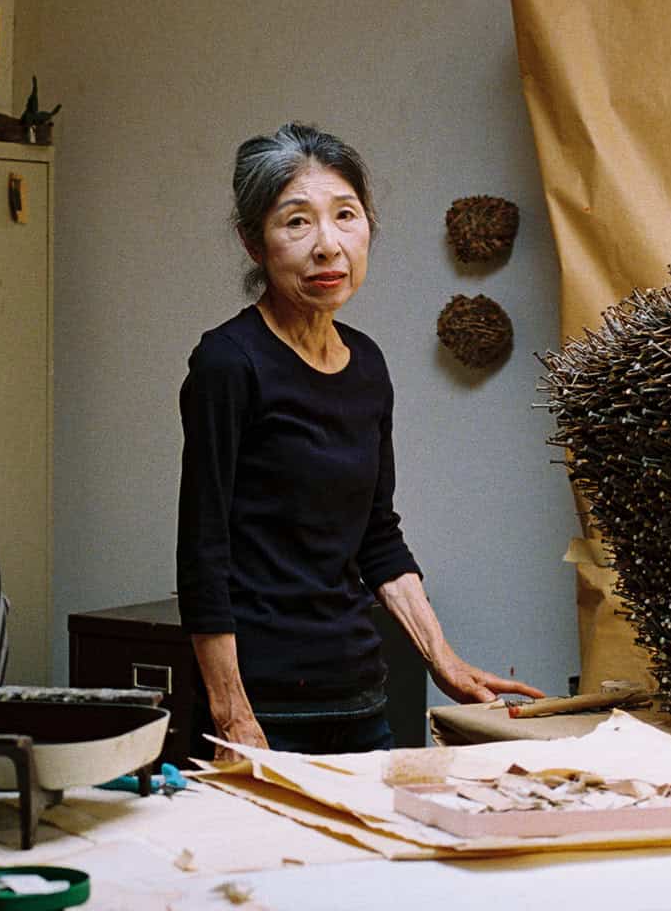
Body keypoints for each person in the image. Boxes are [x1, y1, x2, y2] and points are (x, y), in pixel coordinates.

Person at [176, 122, 544, 759]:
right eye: (296, 222)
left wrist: (443, 661)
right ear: (252, 242)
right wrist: (232, 716)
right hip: (263, 708)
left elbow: (377, 537)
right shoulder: (228, 364)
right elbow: (203, 553)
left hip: (362, 696)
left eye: (345, 216)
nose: (328, 245)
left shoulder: (366, 365)